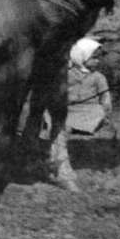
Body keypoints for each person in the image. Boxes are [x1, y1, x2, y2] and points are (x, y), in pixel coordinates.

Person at [46, 37, 113, 191]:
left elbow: (105, 96)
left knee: (95, 112)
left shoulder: (98, 77)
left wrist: (107, 109)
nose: (97, 62)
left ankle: (60, 163)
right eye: (94, 58)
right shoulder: (67, 73)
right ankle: (57, 163)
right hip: (67, 108)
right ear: (81, 56)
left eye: (98, 58)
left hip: (87, 109)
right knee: (58, 123)